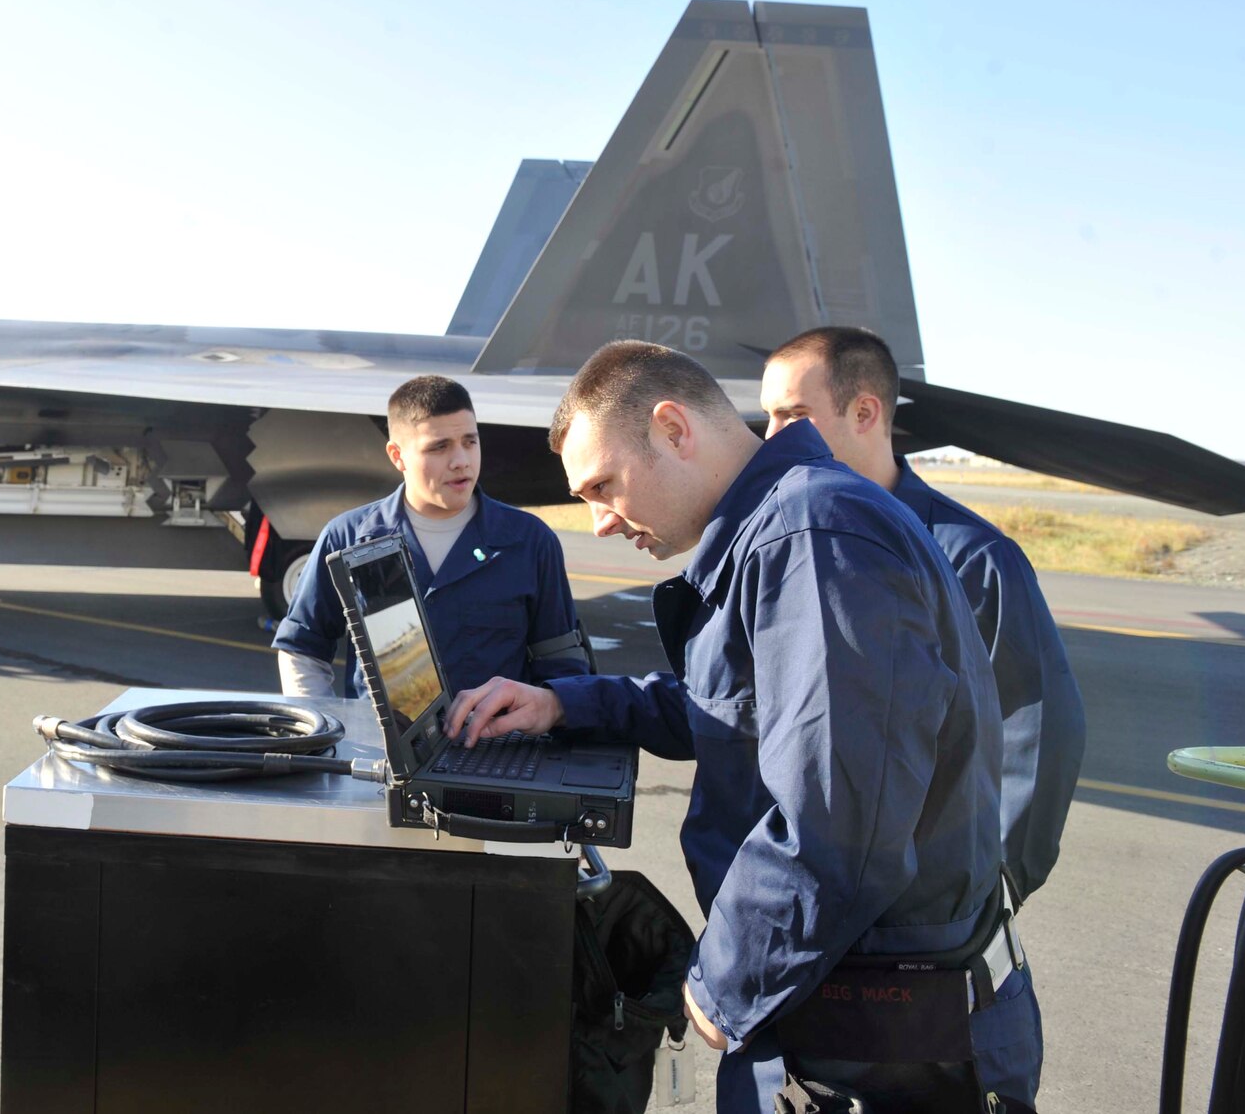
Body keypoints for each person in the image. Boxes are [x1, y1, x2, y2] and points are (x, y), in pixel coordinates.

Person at [446, 341, 1041, 1113]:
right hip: (835, 1000)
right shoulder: (789, 525)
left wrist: (723, 982)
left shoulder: (812, 537)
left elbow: (836, 823)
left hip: (878, 1043)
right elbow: (736, 708)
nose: (598, 522)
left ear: (673, 429)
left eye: (603, 485)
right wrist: (564, 703)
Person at [759, 327, 1086, 906]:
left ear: (864, 413)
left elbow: (1036, 731)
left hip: (927, 907)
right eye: (769, 417)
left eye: (793, 415)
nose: (771, 438)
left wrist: (1000, 882)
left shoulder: (972, 558)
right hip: (808, 889)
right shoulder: (785, 544)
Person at [272, 375, 589, 698]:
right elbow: (302, 649)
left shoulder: (530, 542)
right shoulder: (348, 539)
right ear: (397, 456)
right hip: (377, 732)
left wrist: (542, 716)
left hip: (496, 732)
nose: (461, 461)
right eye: (439, 447)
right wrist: (327, 723)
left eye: (470, 442)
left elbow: (562, 665)